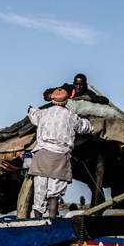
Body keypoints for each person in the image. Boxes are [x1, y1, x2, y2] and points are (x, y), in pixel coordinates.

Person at [27, 88, 94, 217]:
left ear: (52, 100)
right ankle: (52, 222)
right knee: (54, 194)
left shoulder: (42, 114)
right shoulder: (71, 116)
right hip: (59, 158)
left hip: (41, 157)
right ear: (66, 101)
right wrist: (88, 122)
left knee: (39, 194)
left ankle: (36, 223)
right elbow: (86, 127)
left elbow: (33, 115)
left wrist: (32, 110)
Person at [42, 73, 109, 105]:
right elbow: (48, 91)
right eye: (76, 84)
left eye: (81, 85)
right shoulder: (67, 88)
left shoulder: (88, 93)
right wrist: (52, 96)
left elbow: (105, 100)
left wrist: (83, 98)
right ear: (74, 83)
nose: (78, 87)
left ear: (85, 85)